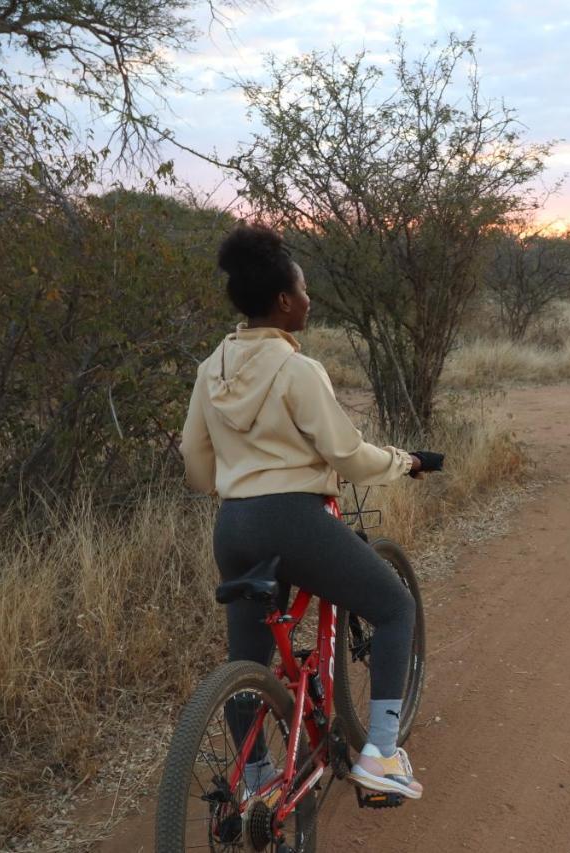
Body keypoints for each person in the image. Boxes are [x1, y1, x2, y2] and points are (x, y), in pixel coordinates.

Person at [179, 223, 441, 801]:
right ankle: (382, 754)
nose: (308, 300)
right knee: (395, 608)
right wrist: (405, 462)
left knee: (248, 658)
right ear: (281, 301)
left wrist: (242, 477)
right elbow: (347, 455)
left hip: (233, 525)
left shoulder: (210, 370)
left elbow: (196, 466)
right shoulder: (298, 369)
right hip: (294, 521)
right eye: (302, 290)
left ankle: (255, 782)